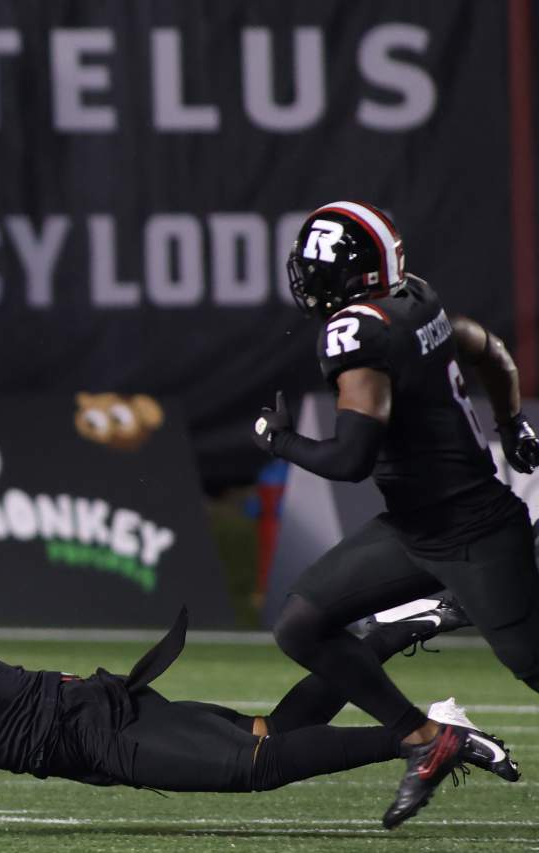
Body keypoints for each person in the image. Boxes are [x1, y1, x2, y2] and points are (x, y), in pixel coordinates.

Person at [0, 576, 516, 829]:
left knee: (258, 768)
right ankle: (384, 630)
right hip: (86, 722)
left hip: (86, 731)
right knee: (278, 729)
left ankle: (424, 734)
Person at [250, 200, 539, 827]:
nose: (304, 279)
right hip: (413, 529)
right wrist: (512, 420)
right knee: (302, 625)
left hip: (474, 534)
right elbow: (487, 346)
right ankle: (423, 739)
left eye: (312, 268)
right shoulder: (415, 299)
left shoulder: (356, 331)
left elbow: (351, 459)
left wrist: (279, 441)